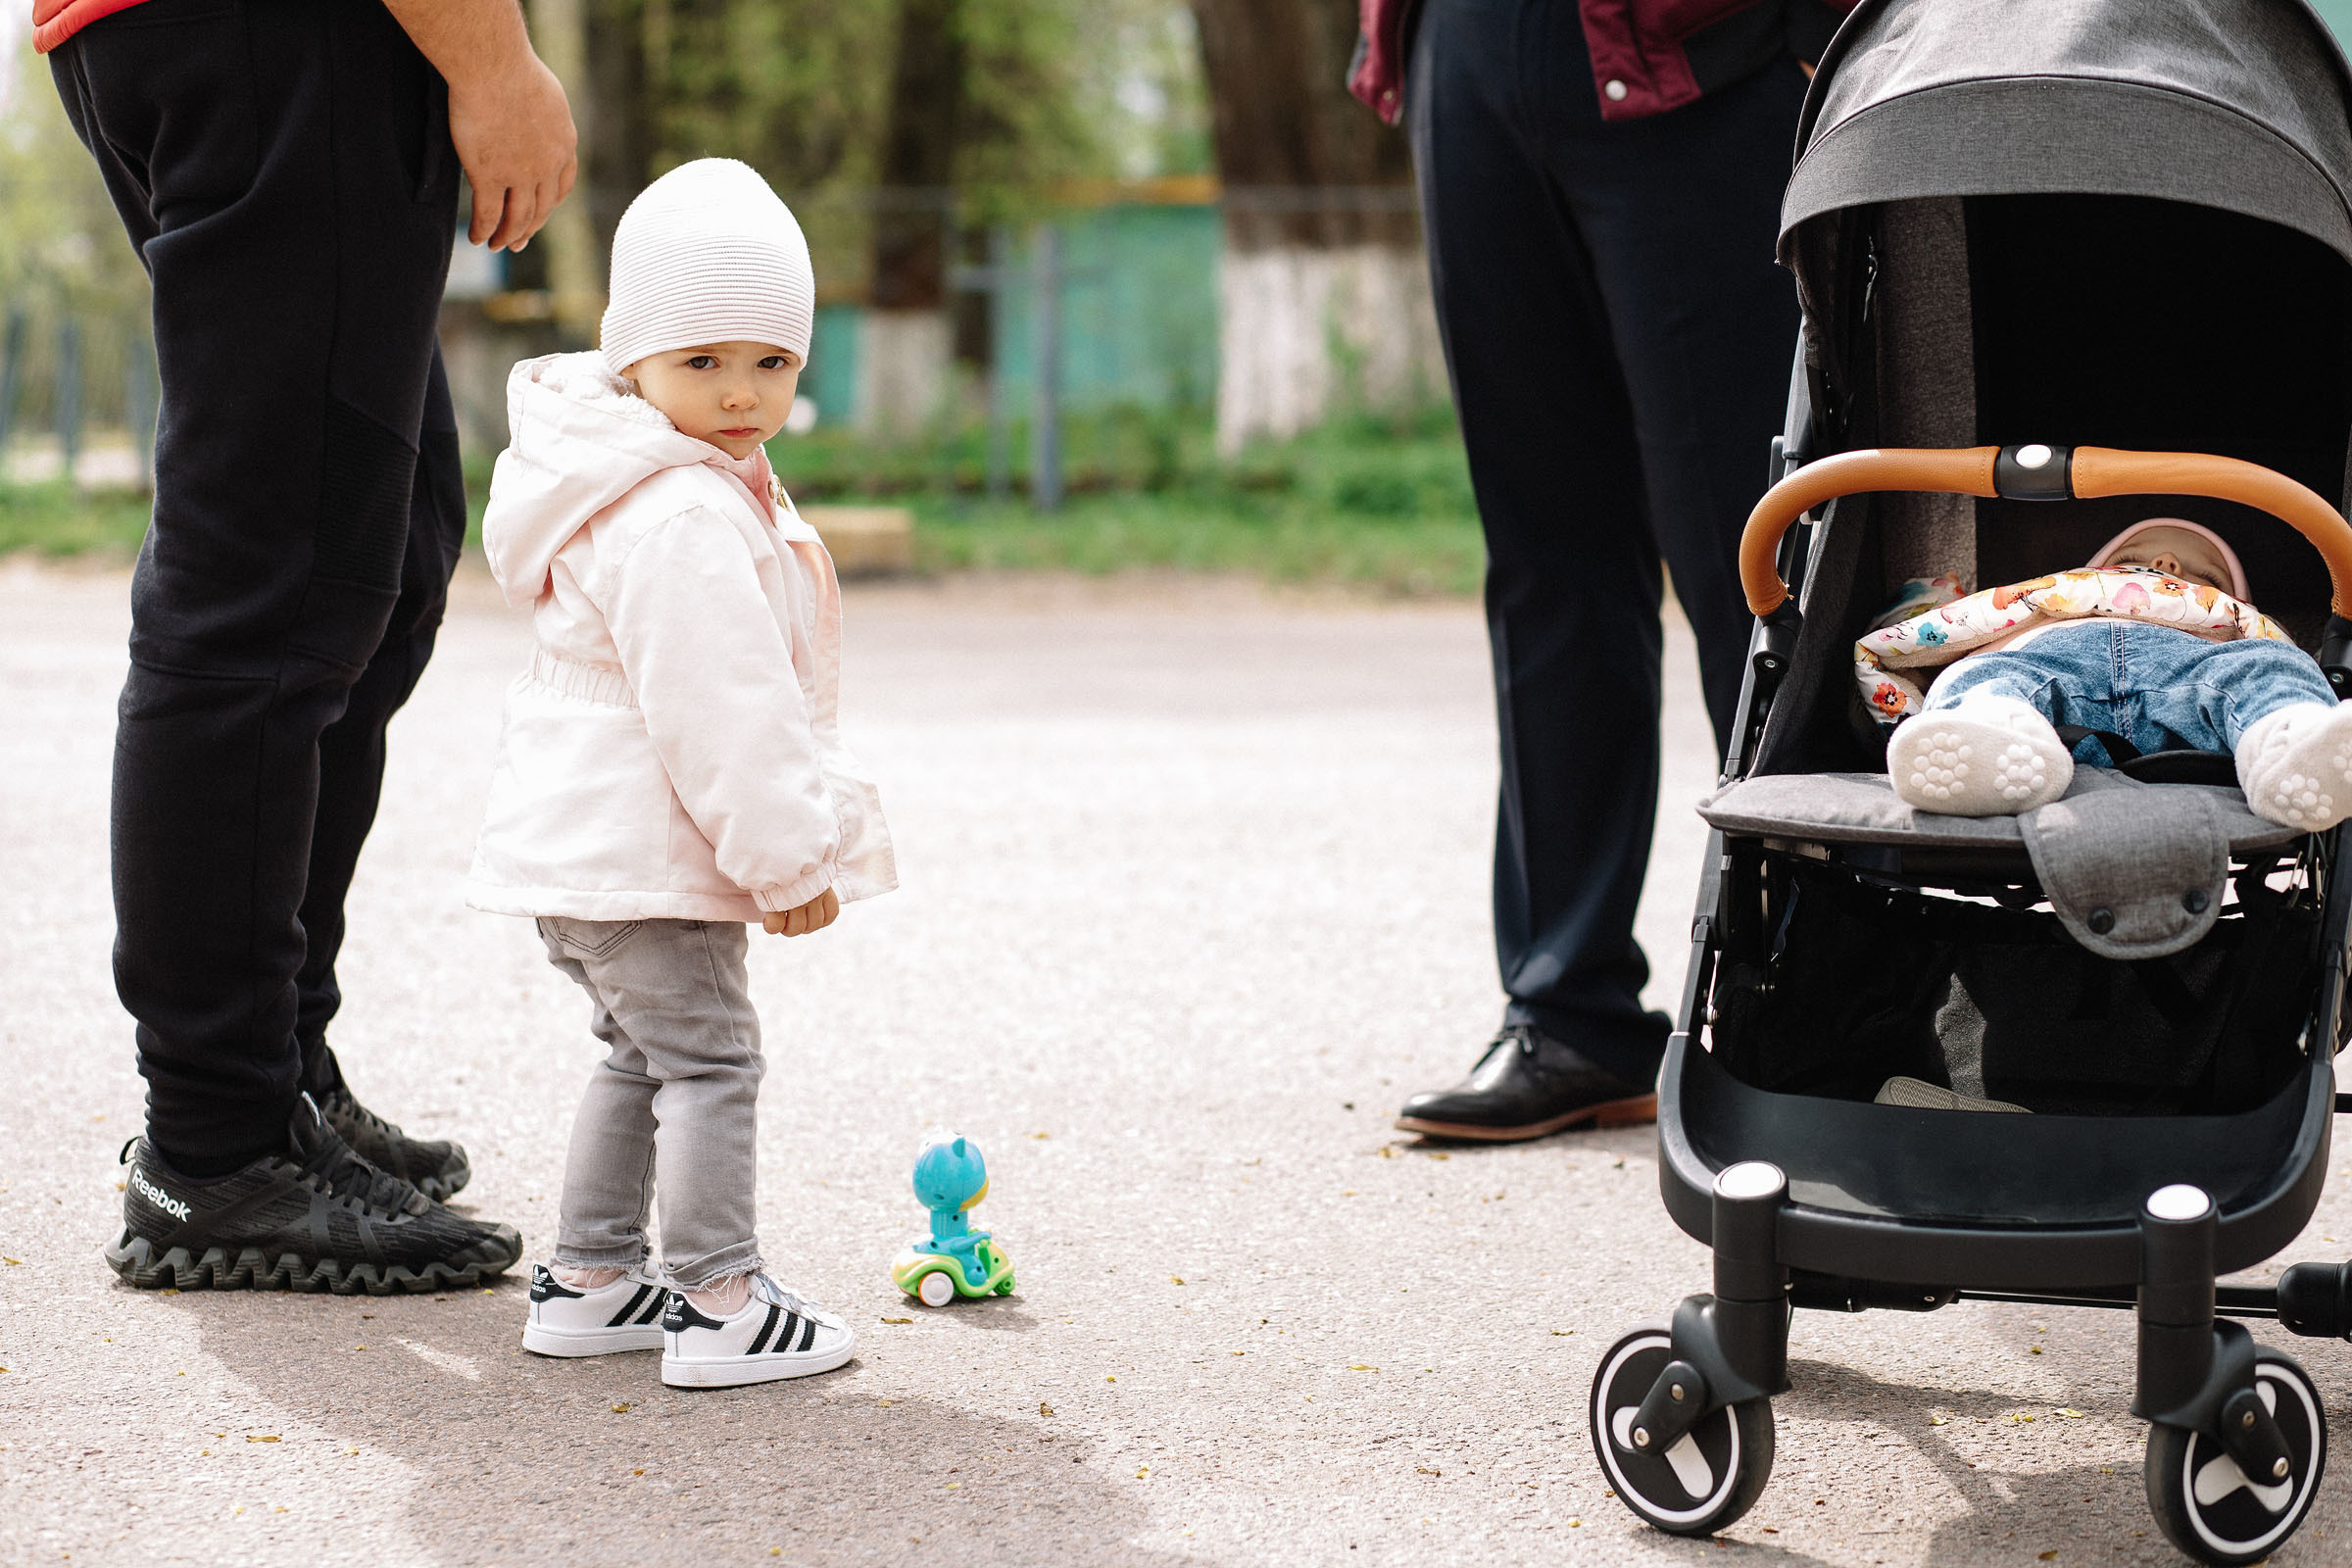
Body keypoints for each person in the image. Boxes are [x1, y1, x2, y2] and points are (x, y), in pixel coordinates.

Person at [44, 0, 575, 1290]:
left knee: (379, 557)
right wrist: (493, 58)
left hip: (244, 38)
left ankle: (275, 1081)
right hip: (278, 34)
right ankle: (215, 1147)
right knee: (270, 583)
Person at [1348, 0, 1856, 1141]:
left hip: (1705, 52)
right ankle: (1568, 1007)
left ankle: (1827, 1000)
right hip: (1465, 50)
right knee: (1546, 556)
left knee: (1759, 555)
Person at [467, 160, 897, 1388]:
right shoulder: (678, 514)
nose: (741, 393)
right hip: (648, 860)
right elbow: (726, 713)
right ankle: (718, 1296)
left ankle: (592, 1279)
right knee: (710, 1062)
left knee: (640, 1054)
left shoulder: (633, 481)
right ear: (632, 360)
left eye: (771, 362)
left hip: (586, 856)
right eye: (702, 362)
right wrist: (790, 859)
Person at [1863, 518, 2352, 827]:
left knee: (2269, 667)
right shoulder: (2039, 603)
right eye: (2132, 561)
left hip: (2193, 687)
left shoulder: (2236, 633)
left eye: (2207, 579)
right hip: (2053, 691)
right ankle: (1992, 736)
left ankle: (2282, 747)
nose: (2164, 565)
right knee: (1984, 674)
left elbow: (2275, 657)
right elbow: (1959, 632)